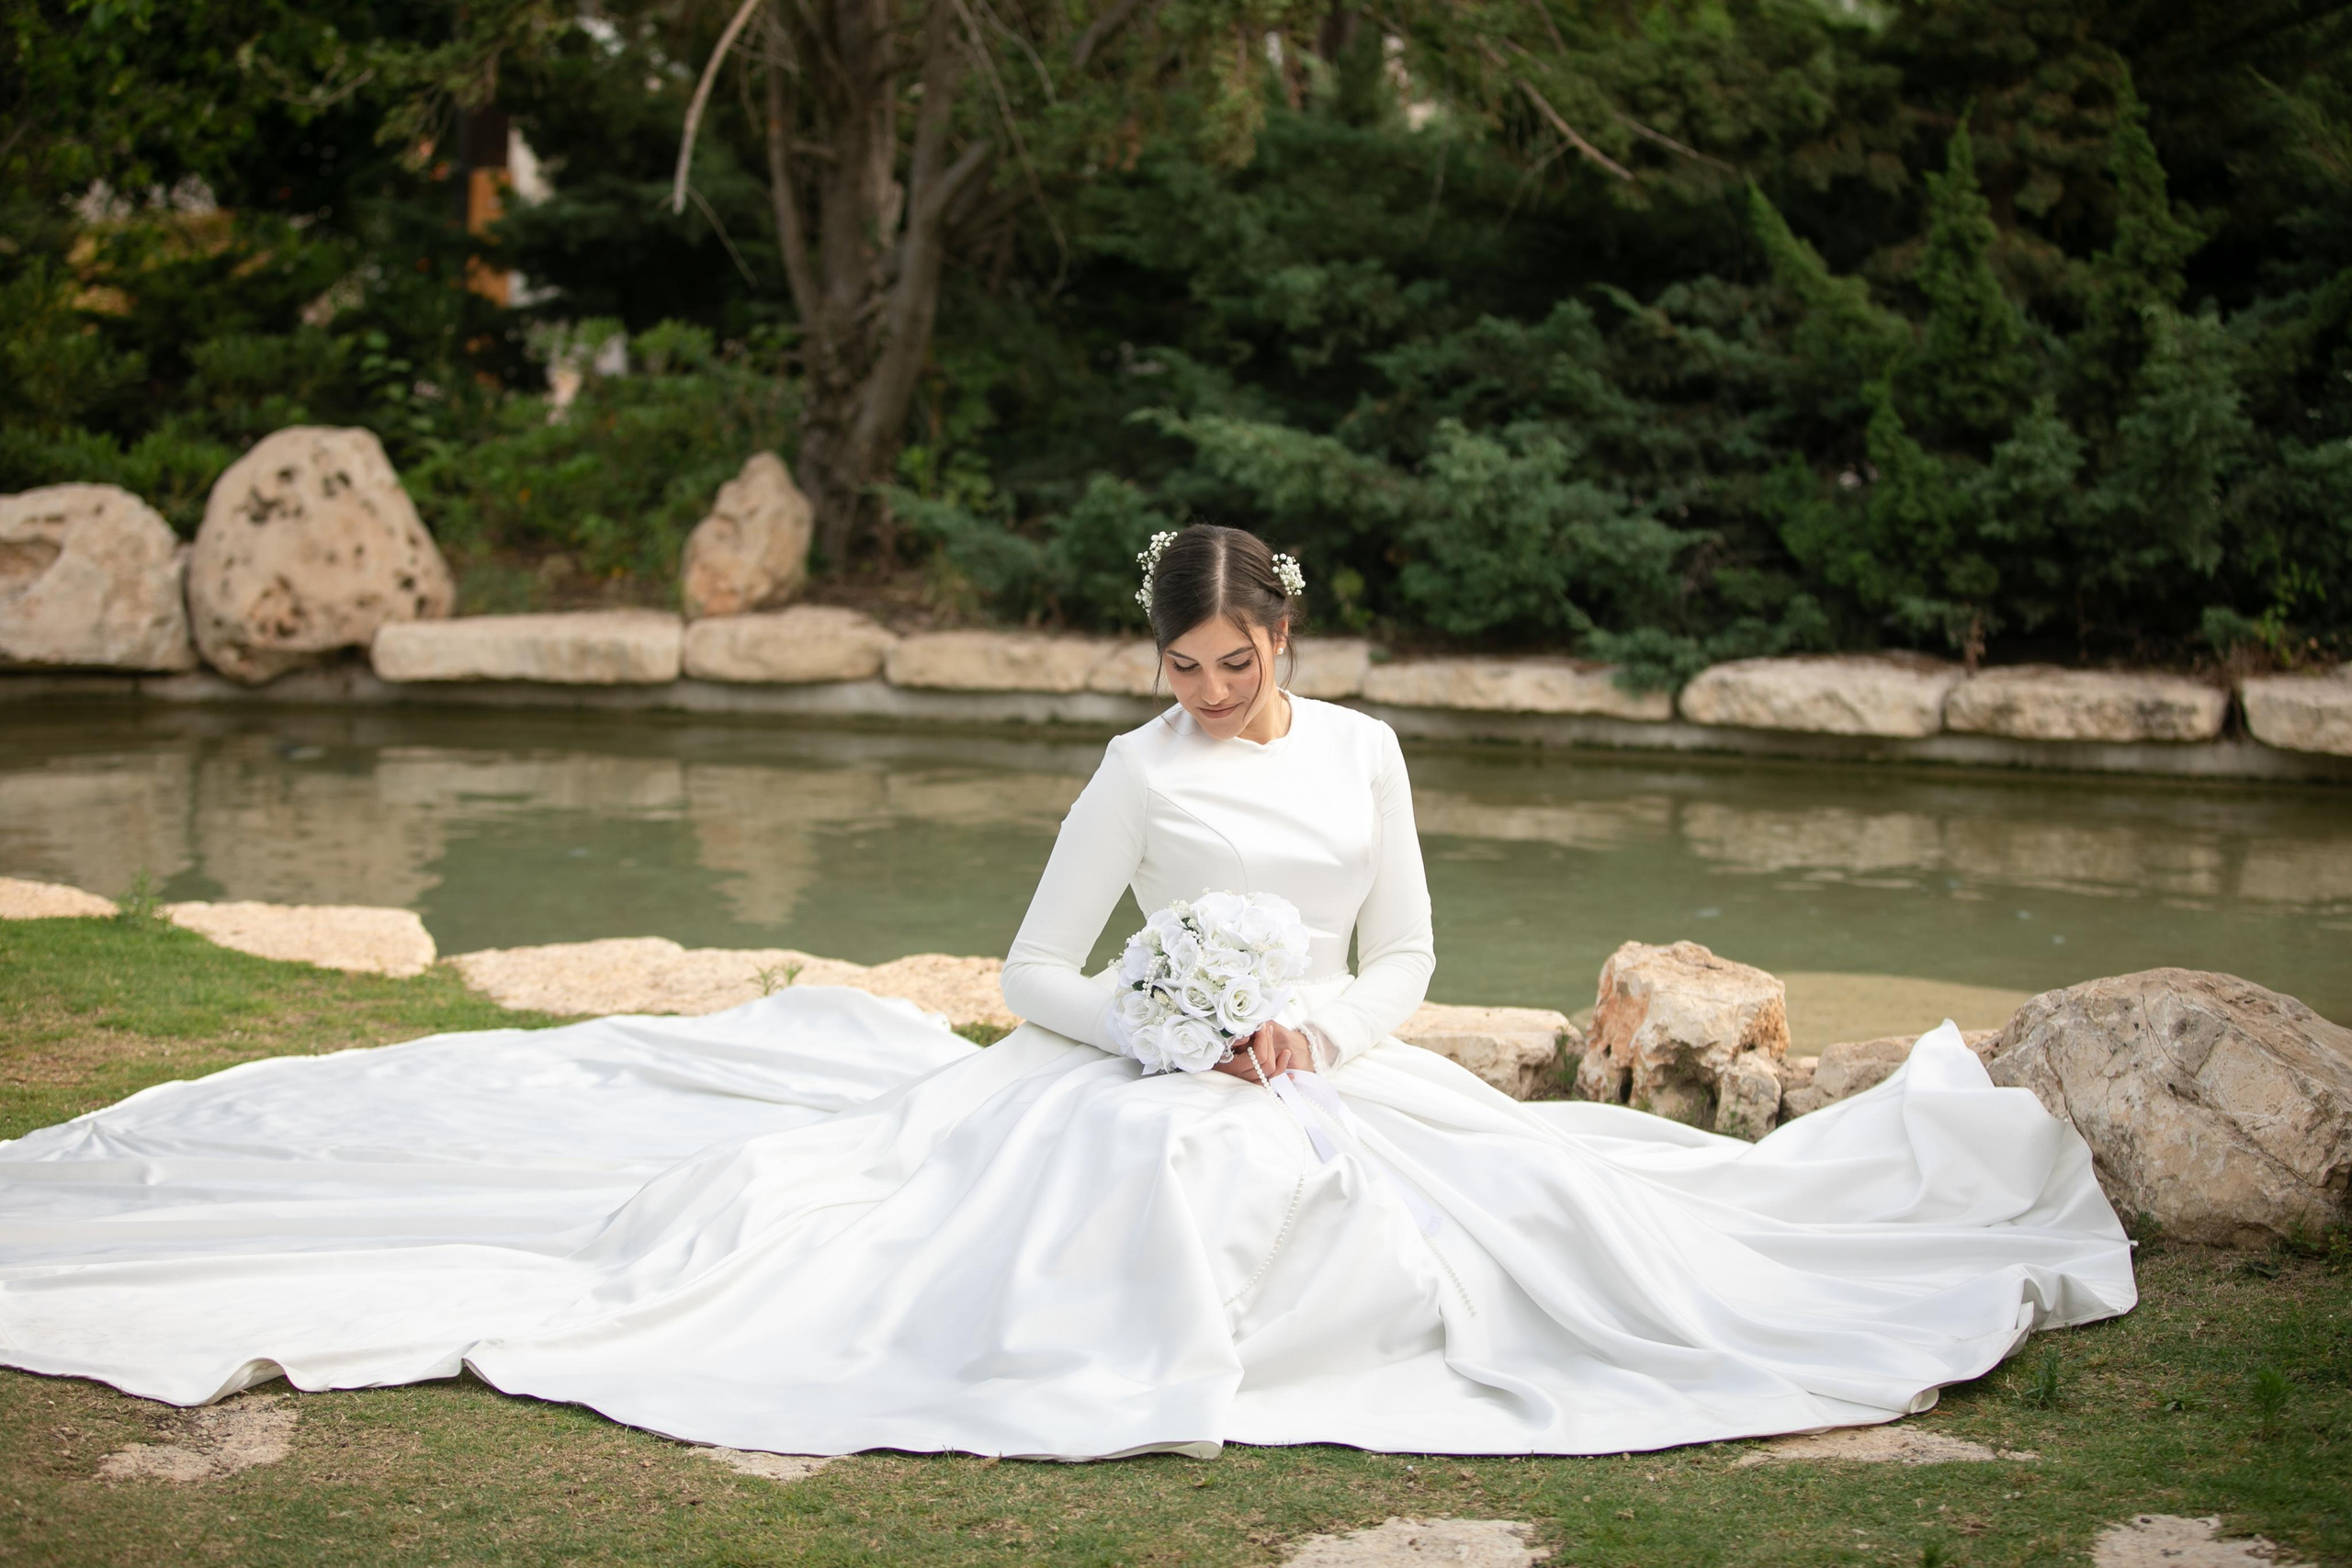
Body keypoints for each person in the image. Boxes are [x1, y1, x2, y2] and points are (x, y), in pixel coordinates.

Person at [0, 524, 2134, 1461]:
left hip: (1333, 1065)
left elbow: (1403, 957)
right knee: (1092, 1225)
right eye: (1181, 670)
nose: (1210, 695)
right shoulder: (1125, 770)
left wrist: (1325, 1030)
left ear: (1285, 630)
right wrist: (1170, 1022)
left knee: (1578, 1230)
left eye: (1236, 662)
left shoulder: (1374, 750)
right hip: (1138, 1073)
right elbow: (1034, 969)